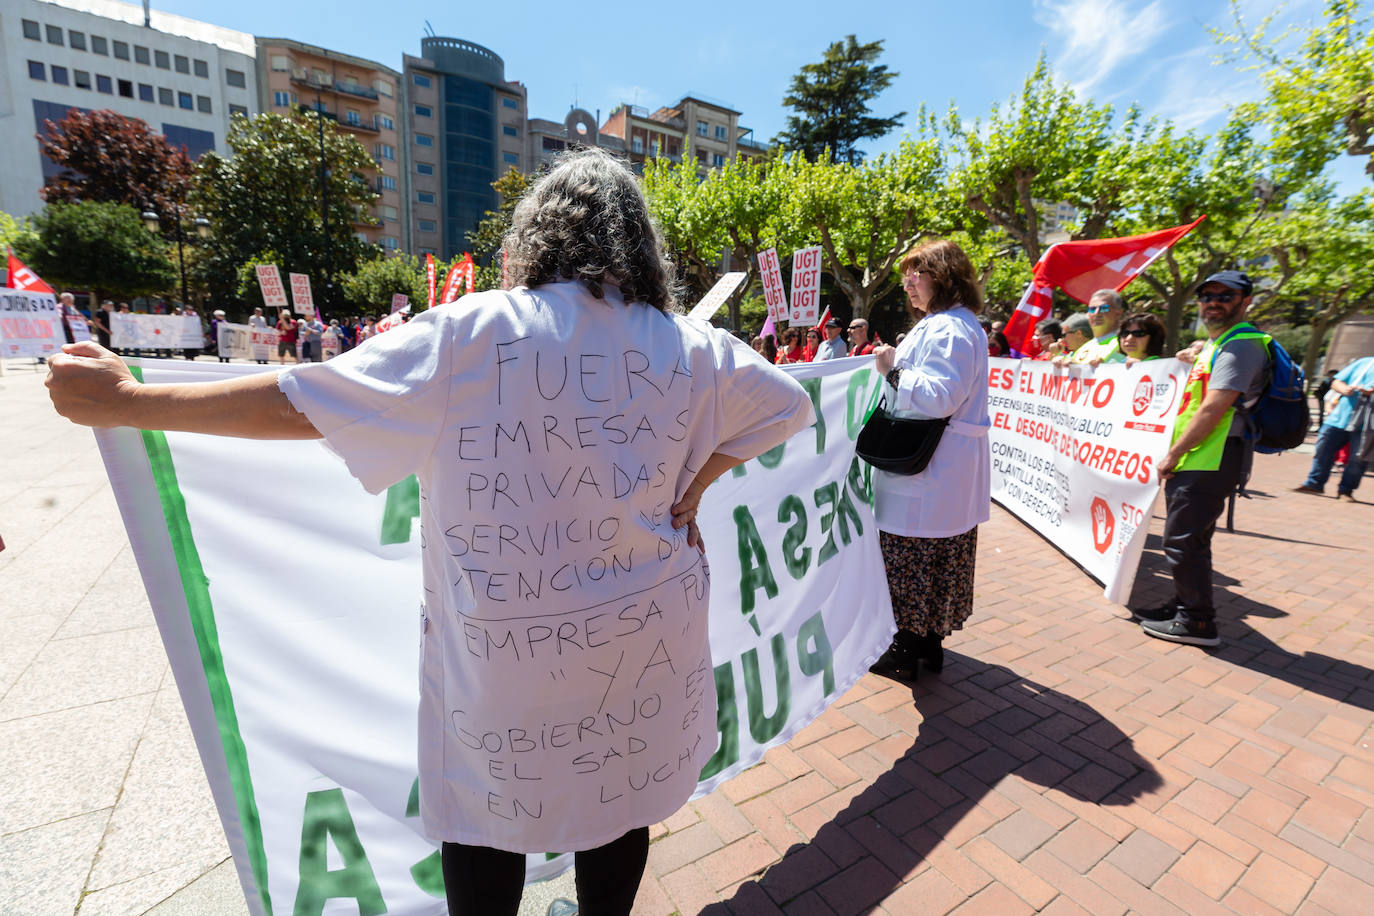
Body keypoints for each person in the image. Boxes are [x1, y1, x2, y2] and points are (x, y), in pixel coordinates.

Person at [45, 148, 812, 916]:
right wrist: (695, 487)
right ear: (637, 244)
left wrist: (131, 402)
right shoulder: (690, 345)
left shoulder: (474, 333)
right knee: (619, 797)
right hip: (646, 633)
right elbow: (788, 406)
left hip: (509, 656)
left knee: (486, 812)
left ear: (536, 238)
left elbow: (303, 402)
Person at [868, 239, 991, 681]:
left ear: (942, 275)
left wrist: (892, 371)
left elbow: (940, 396)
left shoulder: (950, 329)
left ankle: (906, 649)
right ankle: (926, 645)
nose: (907, 283)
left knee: (912, 558)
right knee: (934, 560)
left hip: (929, 471)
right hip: (939, 471)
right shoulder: (949, 324)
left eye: (915, 274)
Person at [1136, 271, 1270, 648]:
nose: (1214, 301)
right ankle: (1183, 606)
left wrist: (1173, 454)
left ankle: (1197, 622)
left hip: (1212, 456)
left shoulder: (1241, 344)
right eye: (1206, 295)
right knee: (1191, 539)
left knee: (1181, 541)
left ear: (1245, 301)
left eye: (1225, 295)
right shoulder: (1220, 342)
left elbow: (1214, 408)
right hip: (1203, 455)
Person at [1294, 355, 1374, 501]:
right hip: (1339, 418)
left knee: (1358, 458)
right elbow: (1336, 382)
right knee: (1323, 449)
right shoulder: (1365, 362)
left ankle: (1346, 491)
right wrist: (1346, 389)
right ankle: (1314, 483)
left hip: (1368, 424)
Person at [1073, 290, 1125, 365]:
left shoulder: (1125, 343)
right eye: (1092, 309)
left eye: (1104, 308)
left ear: (1118, 313)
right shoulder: (1083, 348)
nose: (1096, 313)